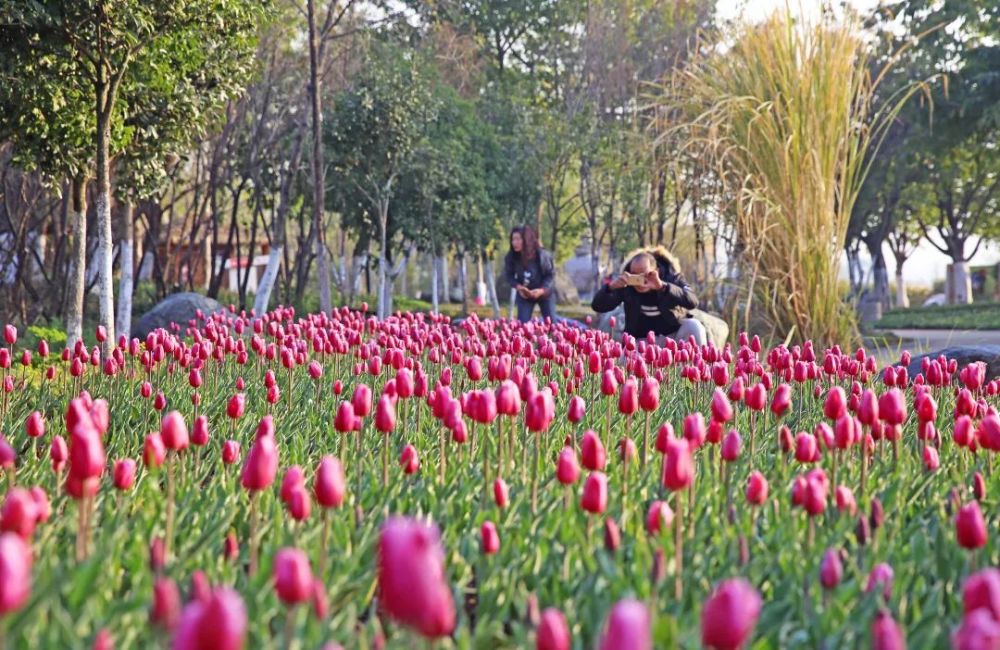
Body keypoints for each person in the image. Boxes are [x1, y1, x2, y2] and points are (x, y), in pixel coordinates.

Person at [591, 246, 707, 345]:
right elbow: (598, 306)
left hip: (674, 337)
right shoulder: (627, 286)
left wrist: (663, 287)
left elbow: (693, 301)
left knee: (694, 326)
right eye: (635, 275)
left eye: (645, 274)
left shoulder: (672, 279)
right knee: (625, 361)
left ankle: (696, 368)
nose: (641, 280)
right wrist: (611, 287)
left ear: (656, 270)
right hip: (641, 341)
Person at [503, 225, 556, 323]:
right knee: (522, 326)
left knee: (552, 326)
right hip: (525, 295)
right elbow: (508, 275)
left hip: (544, 293)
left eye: (518, 239)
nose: (514, 243)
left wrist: (541, 290)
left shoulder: (541, 255)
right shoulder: (511, 257)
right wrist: (519, 287)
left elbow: (550, 274)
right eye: (513, 239)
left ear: (526, 239)